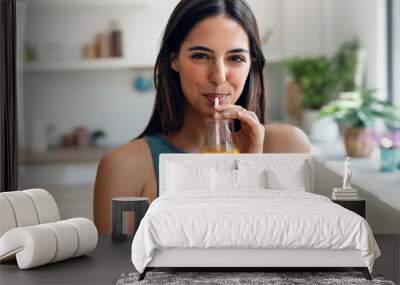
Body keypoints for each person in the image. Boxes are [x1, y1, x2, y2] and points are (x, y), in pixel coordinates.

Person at [94, 0, 311, 234]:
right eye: (200, 56)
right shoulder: (125, 167)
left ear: (252, 64)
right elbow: (118, 270)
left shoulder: (286, 148)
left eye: (235, 58)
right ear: (174, 59)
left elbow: (296, 256)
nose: (218, 77)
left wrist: (251, 168)